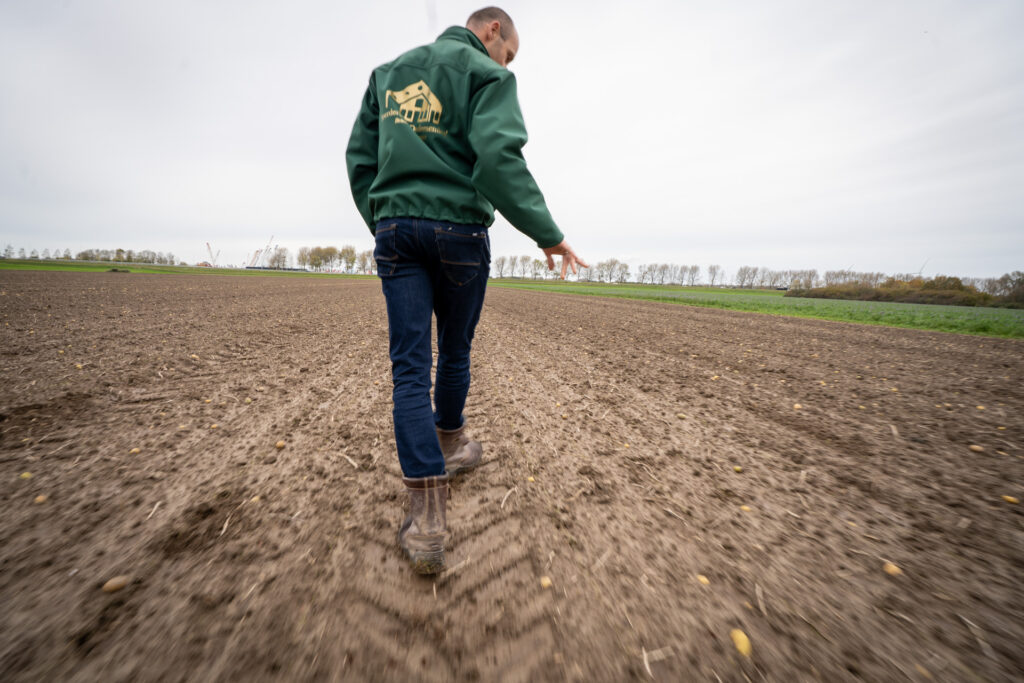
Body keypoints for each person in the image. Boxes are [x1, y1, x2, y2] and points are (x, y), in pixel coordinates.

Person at [346, 6, 587, 574]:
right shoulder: (488, 75)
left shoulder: (388, 74)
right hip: (460, 231)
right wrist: (548, 234)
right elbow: (497, 160)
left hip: (398, 231)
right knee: (454, 350)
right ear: (492, 31)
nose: (507, 63)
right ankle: (451, 445)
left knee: (409, 368)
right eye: (509, 53)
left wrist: (384, 220)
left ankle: (427, 519)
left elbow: (360, 159)